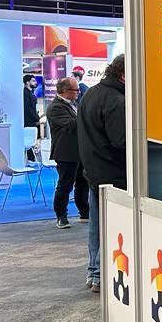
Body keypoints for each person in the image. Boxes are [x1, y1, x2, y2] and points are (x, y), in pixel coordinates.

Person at [77, 55, 126, 293]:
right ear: (124, 75)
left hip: (94, 171)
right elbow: (122, 141)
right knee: (112, 227)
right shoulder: (116, 100)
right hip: (113, 174)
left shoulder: (90, 94)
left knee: (97, 226)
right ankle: (100, 274)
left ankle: (94, 273)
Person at [46, 77, 90, 229]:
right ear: (65, 91)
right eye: (76, 90)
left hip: (80, 151)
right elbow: (71, 125)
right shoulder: (55, 108)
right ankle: (61, 216)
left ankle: (84, 212)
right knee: (65, 185)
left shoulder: (73, 105)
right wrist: (85, 114)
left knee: (83, 183)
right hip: (65, 153)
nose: (78, 93)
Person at [23, 74, 39, 161]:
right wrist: (36, 119)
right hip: (29, 121)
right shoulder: (25, 93)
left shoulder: (30, 92)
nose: (35, 82)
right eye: (33, 81)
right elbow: (28, 109)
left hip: (32, 120)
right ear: (27, 82)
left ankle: (31, 159)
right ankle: (31, 159)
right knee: (29, 140)